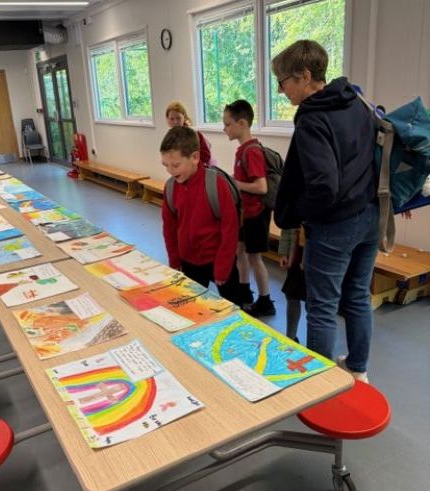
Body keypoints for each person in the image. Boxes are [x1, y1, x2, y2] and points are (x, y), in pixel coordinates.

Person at [272, 40, 379, 382]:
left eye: (283, 81)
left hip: (335, 225)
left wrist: (299, 212)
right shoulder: (356, 101)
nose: (281, 90)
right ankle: (358, 370)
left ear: (305, 76)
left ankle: (323, 386)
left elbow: (323, 187)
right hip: (370, 216)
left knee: (322, 307)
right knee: (358, 295)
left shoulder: (312, 119)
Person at [161, 126, 241, 305]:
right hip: (188, 262)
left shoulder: (216, 184)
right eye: (165, 165)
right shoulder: (171, 187)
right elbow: (169, 228)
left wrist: (222, 267)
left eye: (175, 165)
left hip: (219, 260)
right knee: (192, 306)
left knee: (234, 307)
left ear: (195, 157)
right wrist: (174, 260)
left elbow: (230, 229)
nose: (170, 171)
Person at [223, 99, 276, 316]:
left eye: (228, 124)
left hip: (256, 213)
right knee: (240, 251)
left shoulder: (251, 151)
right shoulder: (242, 150)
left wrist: (236, 183)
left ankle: (265, 301)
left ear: (242, 123)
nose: (225, 129)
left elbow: (261, 187)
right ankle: (244, 291)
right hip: (245, 213)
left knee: (255, 257)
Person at [165, 101, 213, 168]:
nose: (175, 122)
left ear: (184, 117)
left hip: (195, 169)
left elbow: (206, 156)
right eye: (172, 119)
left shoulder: (194, 134)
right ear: (167, 119)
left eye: (178, 118)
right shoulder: (169, 137)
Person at [278, 227, 306, 342]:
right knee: (291, 294)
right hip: (296, 253)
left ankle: (315, 347)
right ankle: (290, 337)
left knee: (316, 304)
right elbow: (287, 227)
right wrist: (284, 253)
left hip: (316, 256)